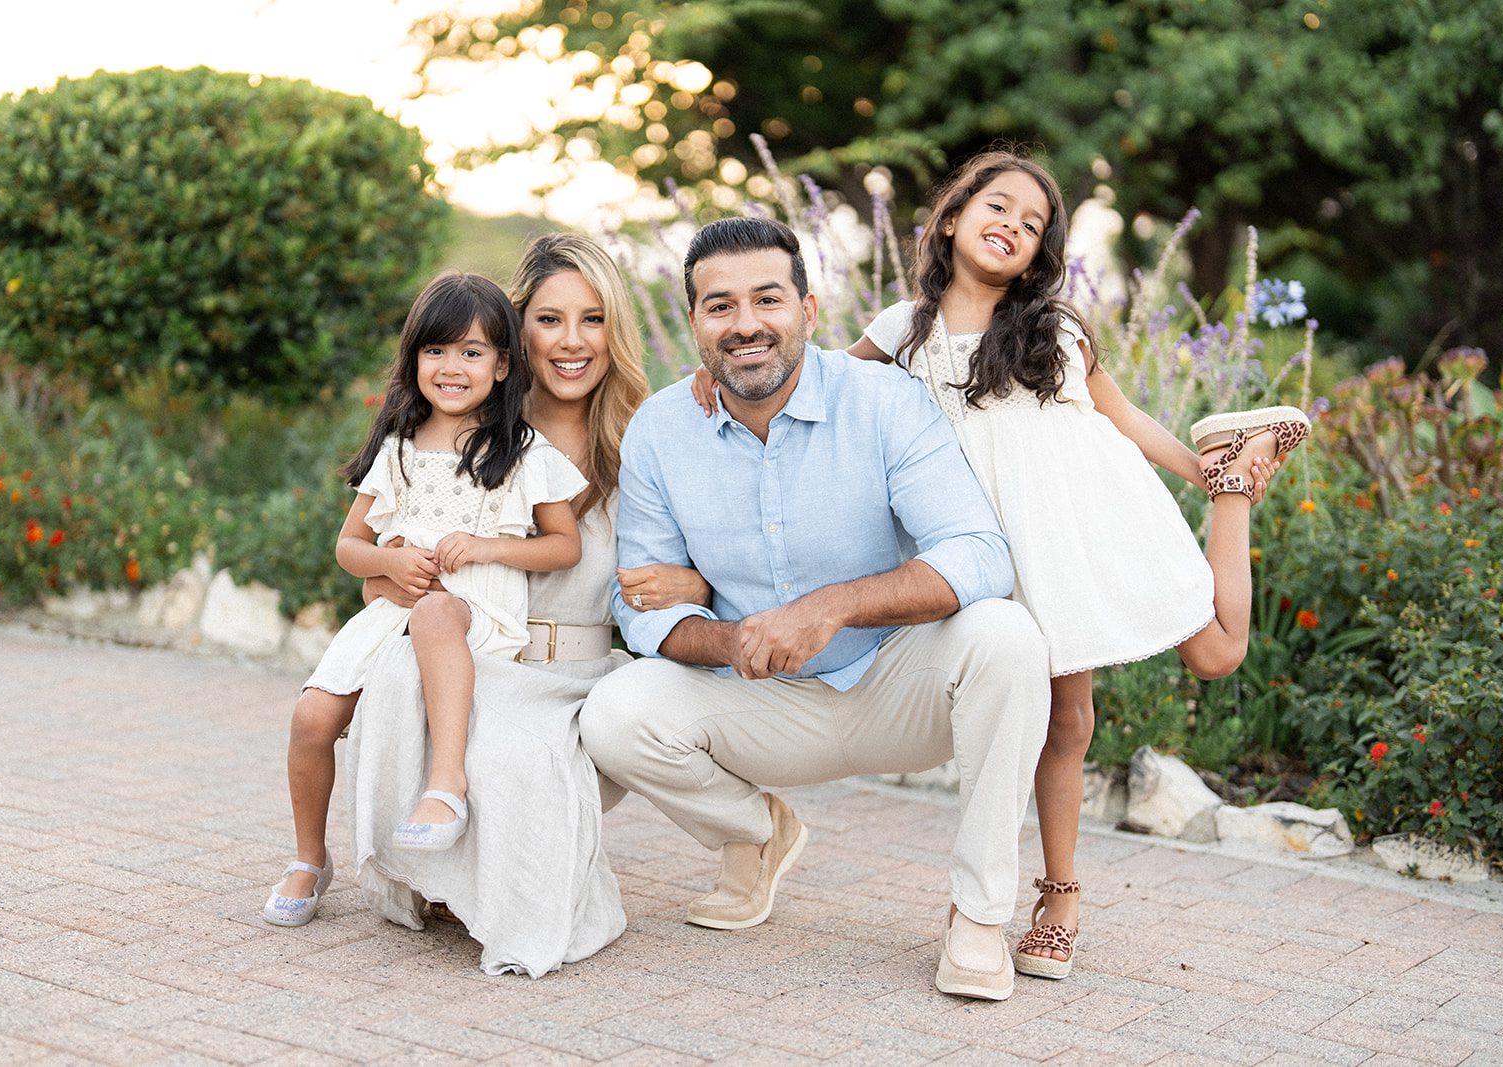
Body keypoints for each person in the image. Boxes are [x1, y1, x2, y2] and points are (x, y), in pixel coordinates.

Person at [694, 151, 1308, 981]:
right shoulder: (900, 330)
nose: (1013, 225)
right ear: (950, 217)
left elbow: (1122, 419)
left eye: (1032, 224)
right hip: (986, 548)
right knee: (1061, 720)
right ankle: (1059, 895)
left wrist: (1203, 476)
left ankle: (1233, 480)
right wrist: (720, 371)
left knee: (1217, 652)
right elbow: (811, 377)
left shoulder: (1054, 329)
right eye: (999, 206)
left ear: (1039, 252)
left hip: (1087, 524)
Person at [582, 215, 1053, 1002]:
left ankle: (977, 916)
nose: (746, 325)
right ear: (695, 322)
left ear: (808, 309)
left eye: (767, 299)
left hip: (898, 682)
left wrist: (832, 607)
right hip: (761, 700)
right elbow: (641, 610)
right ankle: (755, 832)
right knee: (615, 712)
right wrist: (737, 636)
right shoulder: (662, 429)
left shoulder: (881, 400)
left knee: (1005, 635)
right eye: (720, 306)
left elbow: (978, 551)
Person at [345, 234, 711, 977]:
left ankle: (500, 875)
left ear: (616, 331)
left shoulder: (655, 434)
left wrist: (695, 587)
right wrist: (394, 576)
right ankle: (442, 864)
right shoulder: (472, 436)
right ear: (516, 337)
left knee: (512, 753)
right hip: (480, 659)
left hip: (580, 676)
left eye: (593, 319)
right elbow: (378, 572)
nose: (572, 341)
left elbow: (724, 566)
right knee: (406, 684)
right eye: (550, 319)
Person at [262, 270, 588, 927]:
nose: (451, 366)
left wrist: (487, 546)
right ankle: (308, 856)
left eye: (472, 352)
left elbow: (563, 546)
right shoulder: (398, 448)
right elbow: (349, 545)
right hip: (396, 607)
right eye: (436, 349)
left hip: (479, 608)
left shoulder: (521, 452)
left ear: (501, 366)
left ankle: (447, 787)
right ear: (414, 359)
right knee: (311, 718)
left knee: (440, 611)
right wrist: (390, 558)